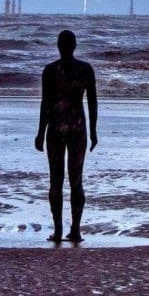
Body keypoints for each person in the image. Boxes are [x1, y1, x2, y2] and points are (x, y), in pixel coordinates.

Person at [35, 29, 97, 242]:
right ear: (75, 45)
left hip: (55, 128)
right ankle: (76, 230)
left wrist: (40, 132)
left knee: (56, 181)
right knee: (76, 180)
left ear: (59, 46)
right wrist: (94, 131)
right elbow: (92, 103)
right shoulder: (86, 69)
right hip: (78, 128)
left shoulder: (50, 71)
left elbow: (45, 104)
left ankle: (59, 230)